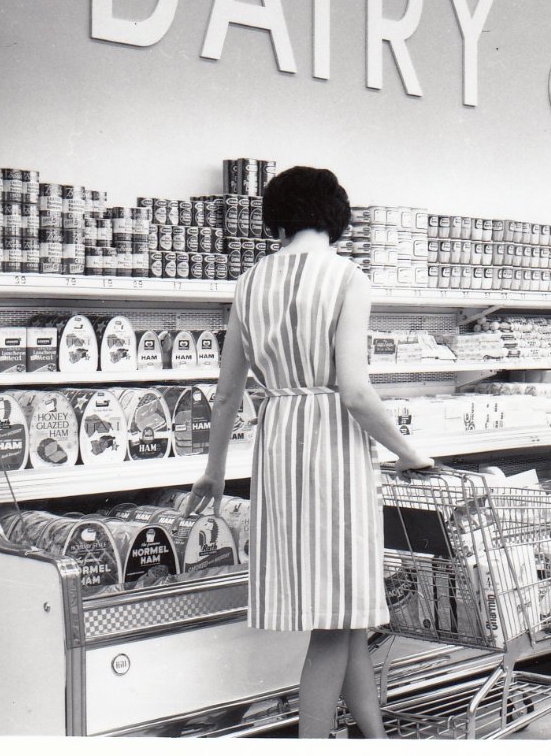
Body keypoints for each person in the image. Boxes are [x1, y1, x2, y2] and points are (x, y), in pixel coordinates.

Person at [187, 166, 434, 738]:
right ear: (337, 214)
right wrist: (408, 452)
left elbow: (227, 394)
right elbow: (354, 391)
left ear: (276, 216)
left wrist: (215, 472)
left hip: (277, 445)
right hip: (333, 451)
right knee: (333, 624)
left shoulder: (249, 283)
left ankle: (374, 740)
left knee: (345, 619)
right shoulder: (348, 277)